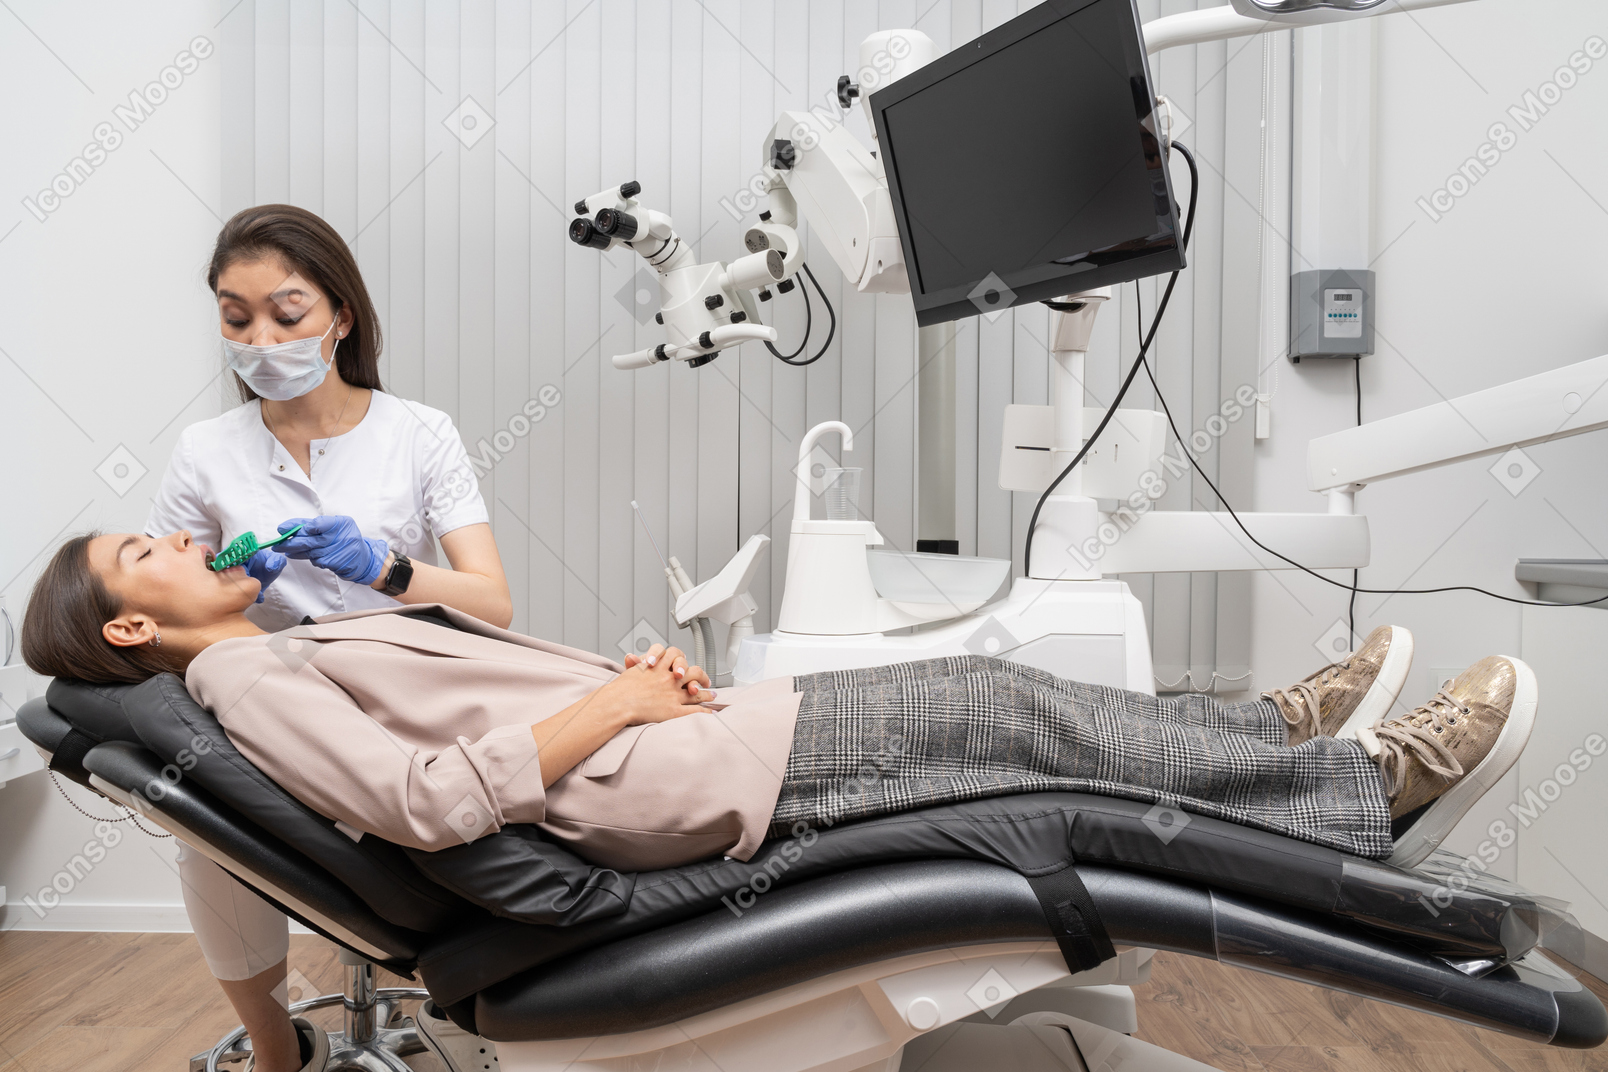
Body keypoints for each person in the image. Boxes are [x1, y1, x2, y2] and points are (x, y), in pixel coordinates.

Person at [25, 528, 1532, 882]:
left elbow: (470, 696)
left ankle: (1279, 729)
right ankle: (1359, 791)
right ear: (142, 623)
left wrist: (627, 687)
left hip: (679, 744)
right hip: (673, 788)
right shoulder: (238, 674)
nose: (174, 528)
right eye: (142, 547)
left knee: (1006, 702)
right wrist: (619, 702)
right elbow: (423, 802)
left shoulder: (280, 639)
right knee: (1014, 718)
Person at [135, 204, 514, 1072]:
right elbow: (157, 607)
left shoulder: (419, 432)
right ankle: (279, 1052)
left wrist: (384, 570)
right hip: (269, 698)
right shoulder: (206, 451)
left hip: (403, 684)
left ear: (340, 315)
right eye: (237, 317)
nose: (261, 336)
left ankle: (478, 1012)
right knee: (206, 817)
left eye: (287, 313)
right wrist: (226, 592)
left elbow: (492, 603)